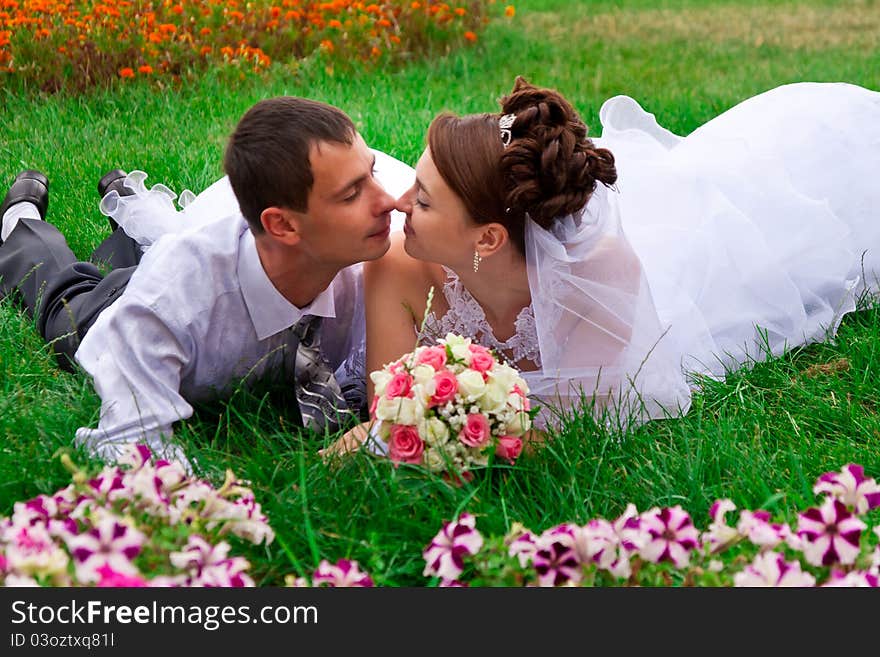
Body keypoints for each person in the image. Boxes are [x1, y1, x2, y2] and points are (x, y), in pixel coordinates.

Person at [330, 76, 880, 454]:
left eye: (422, 200)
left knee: (799, 248)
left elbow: (600, 417)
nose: (399, 204)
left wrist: (468, 434)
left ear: (490, 238)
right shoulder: (398, 263)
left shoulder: (596, 277)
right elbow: (392, 402)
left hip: (695, 263)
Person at [0, 96, 413, 470]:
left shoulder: (381, 267)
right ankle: (19, 223)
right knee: (65, 305)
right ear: (282, 224)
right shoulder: (166, 307)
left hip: (209, 259)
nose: (389, 201)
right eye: (351, 194)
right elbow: (133, 447)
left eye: (372, 175)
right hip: (138, 299)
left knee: (150, 250)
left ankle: (126, 209)